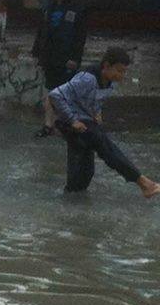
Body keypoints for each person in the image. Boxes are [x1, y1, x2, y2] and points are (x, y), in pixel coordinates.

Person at [49, 47, 160, 198]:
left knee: (85, 172)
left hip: (86, 123)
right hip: (71, 123)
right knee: (106, 146)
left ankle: (71, 203)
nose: (122, 75)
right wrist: (72, 120)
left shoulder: (110, 82)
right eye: (119, 71)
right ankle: (144, 183)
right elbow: (55, 95)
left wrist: (97, 112)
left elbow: (94, 100)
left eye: (124, 72)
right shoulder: (87, 79)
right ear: (106, 66)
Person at [32, 0, 86, 138]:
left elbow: (79, 38)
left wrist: (75, 58)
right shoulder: (49, 9)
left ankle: (62, 124)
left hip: (66, 59)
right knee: (51, 91)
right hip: (50, 57)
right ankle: (49, 124)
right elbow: (41, 32)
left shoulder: (76, 11)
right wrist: (36, 53)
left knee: (64, 93)